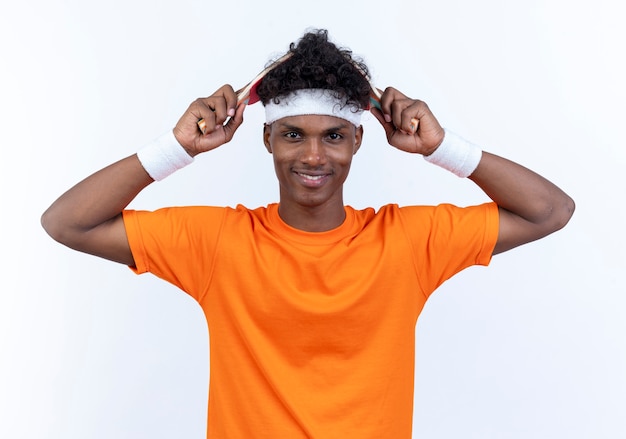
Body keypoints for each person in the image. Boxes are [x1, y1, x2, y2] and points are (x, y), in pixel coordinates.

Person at [41, 29, 574, 438]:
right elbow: (66, 222)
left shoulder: (408, 241)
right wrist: (176, 147)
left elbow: (549, 210)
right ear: (266, 139)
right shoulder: (218, 242)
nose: (314, 156)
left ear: (359, 142)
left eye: (334, 136)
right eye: (294, 135)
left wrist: (442, 147)